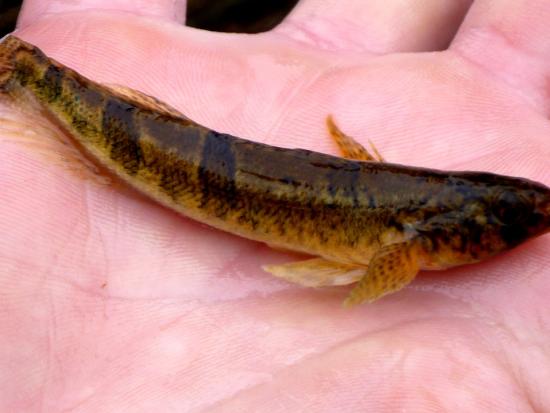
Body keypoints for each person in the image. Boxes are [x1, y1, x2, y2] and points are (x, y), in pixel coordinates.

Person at [1, 0, 549, 411]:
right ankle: (25, 71)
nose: (526, 226)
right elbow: (365, 273)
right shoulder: (407, 243)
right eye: (512, 222)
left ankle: (29, 71)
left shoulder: (414, 231)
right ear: (439, 234)